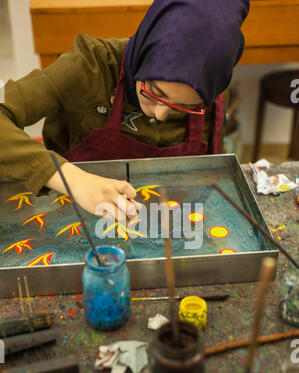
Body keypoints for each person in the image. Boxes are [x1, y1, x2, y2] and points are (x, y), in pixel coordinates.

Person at [0, 0, 250, 221]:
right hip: (71, 219)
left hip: (165, 224)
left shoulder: (210, 95)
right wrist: (73, 180)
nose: (161, 114)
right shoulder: (90, 67)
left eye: (184, 107)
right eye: (156, 92)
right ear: (145, 53)